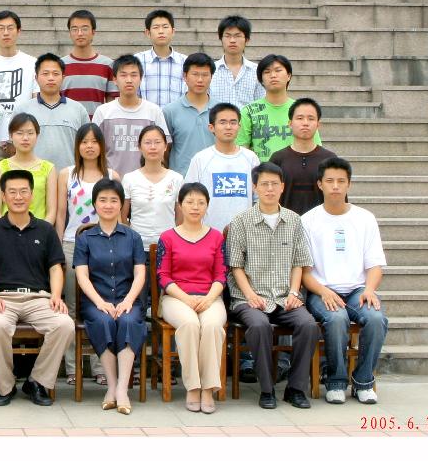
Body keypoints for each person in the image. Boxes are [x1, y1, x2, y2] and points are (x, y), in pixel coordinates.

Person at [0, 169, 74, 406]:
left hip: (38, 298)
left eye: (23, 191)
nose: (18, 197)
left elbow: (55, 268)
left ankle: (37, 381)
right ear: (3, 196)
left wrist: (56, 296)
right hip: (1, 298)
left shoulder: (46, 230)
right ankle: (5, 385)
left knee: (64, 324)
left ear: (32, 195)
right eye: (12, 192)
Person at [226, 162, 318, 410]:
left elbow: (298, 262)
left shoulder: (294, 220)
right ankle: (267, 389)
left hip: (284, 296)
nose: (269, 189)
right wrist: (250, 295)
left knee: (308, 325)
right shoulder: (241, 221)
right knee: (259, 326)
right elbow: (235, 266)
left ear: (282, 187)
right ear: (254, 187)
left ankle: (295, 388)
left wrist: (294, 292)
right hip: (248, 298)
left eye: (274, 184)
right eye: (264, 184)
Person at [302, 157, 388, 404]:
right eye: (330, 181)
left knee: (376, 319)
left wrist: (369, 289)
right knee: (337, 318)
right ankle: (336, 381)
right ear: (320, 184)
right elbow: (304, 272)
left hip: (356, 290)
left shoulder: (365, 218)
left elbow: (375, 264)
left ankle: (363, 382)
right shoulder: (308, 220)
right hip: (321, 290)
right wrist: (323, 291)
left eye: (341, 181)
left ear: (349, 184)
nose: (335, 186)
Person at [73, 179, 147, 414]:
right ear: (94, 203)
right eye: (103, 200)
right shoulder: (85, 238)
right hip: (96, 301)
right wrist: (100, 302)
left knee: (128, 321)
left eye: (114, 200)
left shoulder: (133, 237)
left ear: (121, 204)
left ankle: (123, 389)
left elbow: (140, 273)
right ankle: (112, 386)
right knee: (103, 321)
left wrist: (128, 301)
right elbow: (82, 276)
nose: (108, 205)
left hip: (128, 299)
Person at [155, 182, 228, 414]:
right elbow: (163, 276)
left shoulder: (216, 237)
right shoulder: (168, 237)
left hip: (210, 297)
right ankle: (193, 387)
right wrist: (186, 299)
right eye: (190, 202)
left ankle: (208, 389)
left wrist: (209, 298)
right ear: (180, 205)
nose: (195, 207)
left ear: (207, 206)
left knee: (212, 326)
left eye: (201, 203)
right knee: (189, 324)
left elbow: (221, 274)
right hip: (176, 298)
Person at [56, 123, 120, 384]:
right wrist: (59, 247)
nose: (90, 146)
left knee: (101, 304)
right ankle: (72, 367)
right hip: (72, 244)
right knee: (71, 307)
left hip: (105, 247)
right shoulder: (66, 174)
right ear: (78, 146)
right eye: (85, 141)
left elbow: (119, 216)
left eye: (95, 141)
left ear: (102, 146)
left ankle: (100, 366)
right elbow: (61, 215)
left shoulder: (112, 175)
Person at [92, 54, 171, 178]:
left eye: (134, 75)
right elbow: (94, 149)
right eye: (123, 75)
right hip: (111, 182)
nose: (129, 80)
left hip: (145, 183)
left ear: (141, 78)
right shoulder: (103, 112)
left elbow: (164, 148)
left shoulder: (153, 111)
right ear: (114, 79)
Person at [184, 103, 260, 232]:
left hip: (245, 234)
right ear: (211, 127)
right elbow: (188, 197)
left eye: (233, 122)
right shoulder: (201, 159)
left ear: (239, 126)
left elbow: (258, 198)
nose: (228, 127)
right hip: (208, 234)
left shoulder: (251, 158)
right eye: (222, 122)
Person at [237, 54, 322, 162]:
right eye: (267, 72)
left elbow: (315, 148)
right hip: (262, 171)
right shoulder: (249, 111)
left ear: (289, 76)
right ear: (261, 80)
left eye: (278, 70)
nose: (273, 75)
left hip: (295, 169)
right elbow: (242, 150)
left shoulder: (301, 110)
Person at [13, 53, 89, 172]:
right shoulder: (22, 110)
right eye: (45, 73)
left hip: (69, 177)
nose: (51, 78)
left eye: (55, 74)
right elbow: (14, 147)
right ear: (36, 78)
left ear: (63, 77)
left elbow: (87, 145)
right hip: (32, 177)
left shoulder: (78, 109)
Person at [0, 10, 39, 155]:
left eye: (10, 28)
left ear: (19, 31)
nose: (6, 33)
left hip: (25, 138)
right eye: (1, 28)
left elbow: (36, 102)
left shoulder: (32, 63)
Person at [270, 98, 336, 215]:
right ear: (290, 123)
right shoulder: (277, 159)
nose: (305, 123)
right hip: (285, 224)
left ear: (318, 124)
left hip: (320, 224)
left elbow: (339, 198)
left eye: (311, 118)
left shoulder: (330, 159)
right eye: (300, 118)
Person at [123, 125, 183, 248]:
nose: (153, 147)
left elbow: (180, 217)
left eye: (157, 142)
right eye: (147, 143)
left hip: (168, 246)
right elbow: (122, 217)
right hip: (137, 246)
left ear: (165, 146)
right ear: (139, 147)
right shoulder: (129, 178)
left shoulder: (176, 178)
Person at [0, 113, 57, 225]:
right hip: (6, 231)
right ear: (11, 136)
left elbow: (51, 211)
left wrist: (41, 231)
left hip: (39, 231)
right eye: (19, 133)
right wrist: (6, 231)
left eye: (30, 133)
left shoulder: (49, 169)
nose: (25, 138)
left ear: (37, 135)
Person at [163, 52, 218, 176]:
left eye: (205, 75)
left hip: (214, 177)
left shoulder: (220, 110)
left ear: (211, 77)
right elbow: (165, 150)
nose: (200, 80)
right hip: (181, 178)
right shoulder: (170, 111)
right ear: (185, 76)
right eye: (195, 74)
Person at [60, 9, 117, 118]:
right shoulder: (60, 65)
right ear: (70, 33)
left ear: (93, 32)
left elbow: (111, 104)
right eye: (74, 29)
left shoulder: (108, 65)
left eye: (84, 29)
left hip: (96, 126)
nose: (79, 33)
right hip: (67, 125)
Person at [209, 15, 265, 109]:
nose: (232, 40)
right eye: (227, 36)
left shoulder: (257, 71)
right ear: (221, 38)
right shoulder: (210, 70)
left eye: (238, 36)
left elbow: (261, 104)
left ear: (247, 39)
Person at [136, 9, 186, 107]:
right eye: (156, 27)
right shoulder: (137, 61)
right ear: (147, 32)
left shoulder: (185, 62)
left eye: (165, 27)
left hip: (176, 116)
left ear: (173, 31)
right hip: (146, 116)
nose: (161, 31)